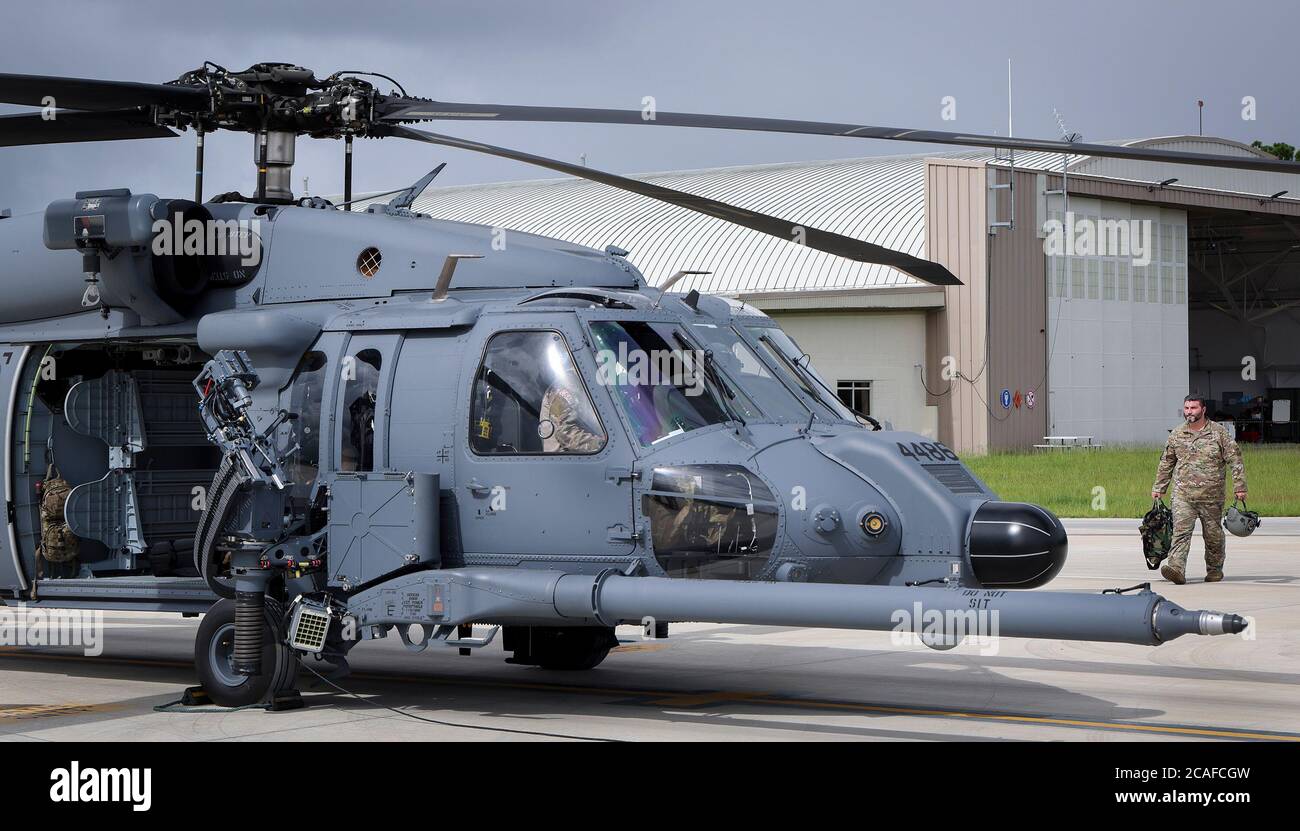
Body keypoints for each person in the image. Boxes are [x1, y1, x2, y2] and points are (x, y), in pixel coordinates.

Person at [1151, 394, 1247, 585]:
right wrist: (1159, 487)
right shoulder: (1177, 434)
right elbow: (1167, 462)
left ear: (1203, 410)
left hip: (1212, 496)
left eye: (1193, 408)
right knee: (1180, 533)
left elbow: (1235, 459)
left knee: (1213, 536)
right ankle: (1176, 569)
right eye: (1186, 408)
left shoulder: (1219, 433)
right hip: (1183, 495)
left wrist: (1240, 487)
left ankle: (1214, 570)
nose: (1189, 412)